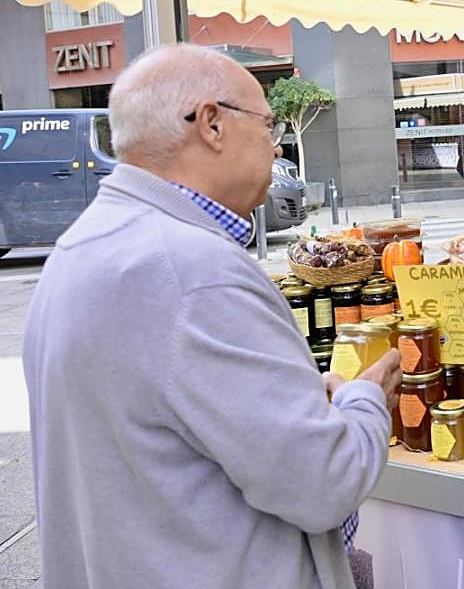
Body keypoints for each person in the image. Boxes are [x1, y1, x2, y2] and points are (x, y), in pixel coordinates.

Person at [23, 44, 402, 589]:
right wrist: (361, 401)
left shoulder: (78, 248)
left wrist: (290, 401)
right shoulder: (193, 270)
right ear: (212, 125)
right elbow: (324, 482)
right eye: (267, 124)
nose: (275, 147)